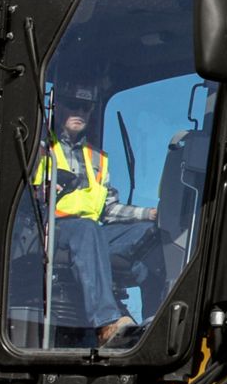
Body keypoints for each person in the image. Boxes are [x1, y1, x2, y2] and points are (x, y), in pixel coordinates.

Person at [32, 82, 157, 345]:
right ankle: (106, 321)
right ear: (57, 107)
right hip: (50, 228)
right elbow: (22, 198)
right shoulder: (39, 148)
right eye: (72, 105)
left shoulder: (97, 158)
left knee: (150, 234)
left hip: (91, 232)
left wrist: (150, 214)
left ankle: (155, 317)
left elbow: (109, 207)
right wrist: (43, 191)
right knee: (87, 231)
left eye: (85, 107)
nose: (79, 111)